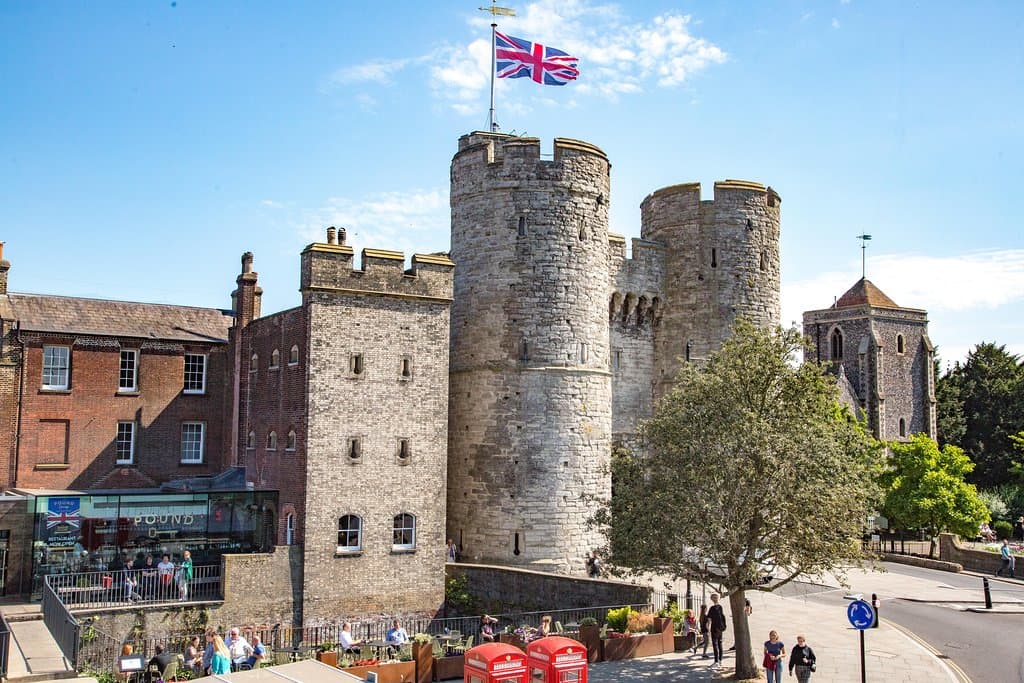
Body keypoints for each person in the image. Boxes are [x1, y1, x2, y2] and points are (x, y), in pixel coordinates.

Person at [707, 594, 727, 669]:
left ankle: (716, 662)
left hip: (714, 628)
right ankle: (720, 661)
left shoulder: (712, 608)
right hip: (720, 628)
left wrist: (708, 628)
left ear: (712, 599)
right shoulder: (720, 607)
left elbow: (709, 619)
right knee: (719, 644)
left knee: (715, 644)